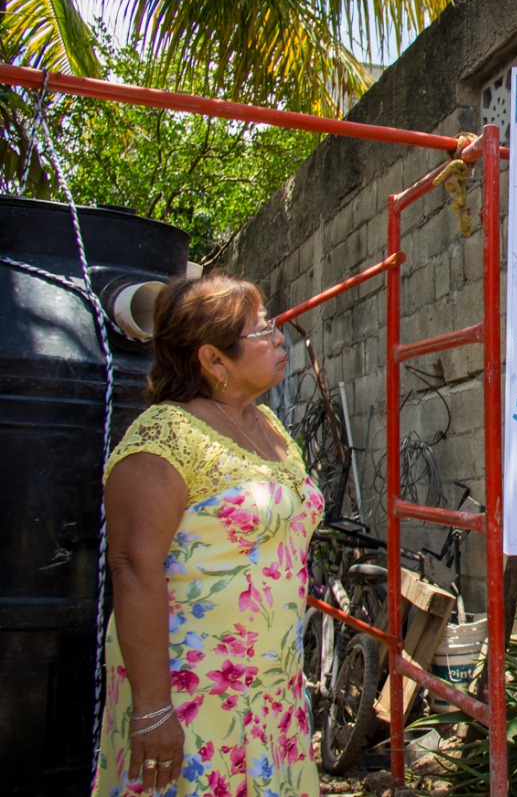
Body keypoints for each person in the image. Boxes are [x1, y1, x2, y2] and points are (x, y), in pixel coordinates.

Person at [92, 272, 324, 797]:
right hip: (191, 695)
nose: (279, 338)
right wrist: (153, 712)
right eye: (262, 330)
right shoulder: (164, 438)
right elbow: (133, 568)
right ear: (213, 359)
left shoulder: (267, 425)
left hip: (270, 690)